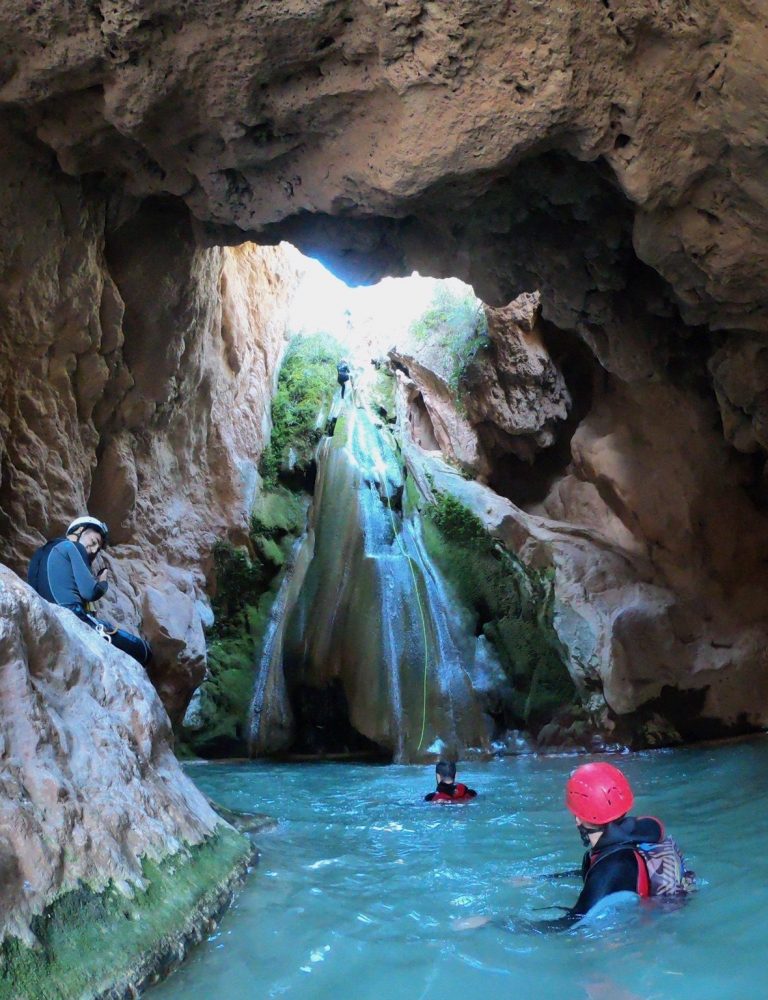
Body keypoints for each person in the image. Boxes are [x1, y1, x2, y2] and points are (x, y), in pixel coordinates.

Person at [529, 762, 695, 929]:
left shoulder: (610, 867)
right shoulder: (637, 834)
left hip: (640, 933)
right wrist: (544, 879)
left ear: (579, 819)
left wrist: (507, 926)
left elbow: (572, 923)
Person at [27, 515, 152, 667]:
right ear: (79, 530)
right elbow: (90, 592)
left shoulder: (41, 554)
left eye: (97, 549)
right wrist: (103, 582)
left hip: (43, 615)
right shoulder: (73, 547)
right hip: (71, 614)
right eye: (93, 542)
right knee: (142, 649)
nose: (93, 550)